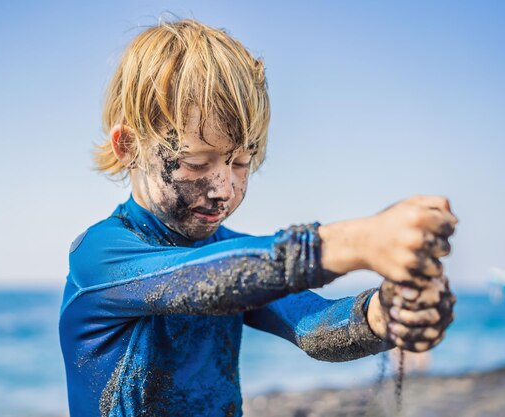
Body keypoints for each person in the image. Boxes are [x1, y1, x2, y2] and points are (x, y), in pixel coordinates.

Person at [59, 19, 457, 417]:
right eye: (196, 162)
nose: (223, 189)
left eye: (240, 162)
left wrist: (385, 314)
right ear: (128, 146)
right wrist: (357, 243)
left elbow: (310, 325)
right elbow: (203, 280)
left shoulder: (231, 253)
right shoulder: (99, 259)